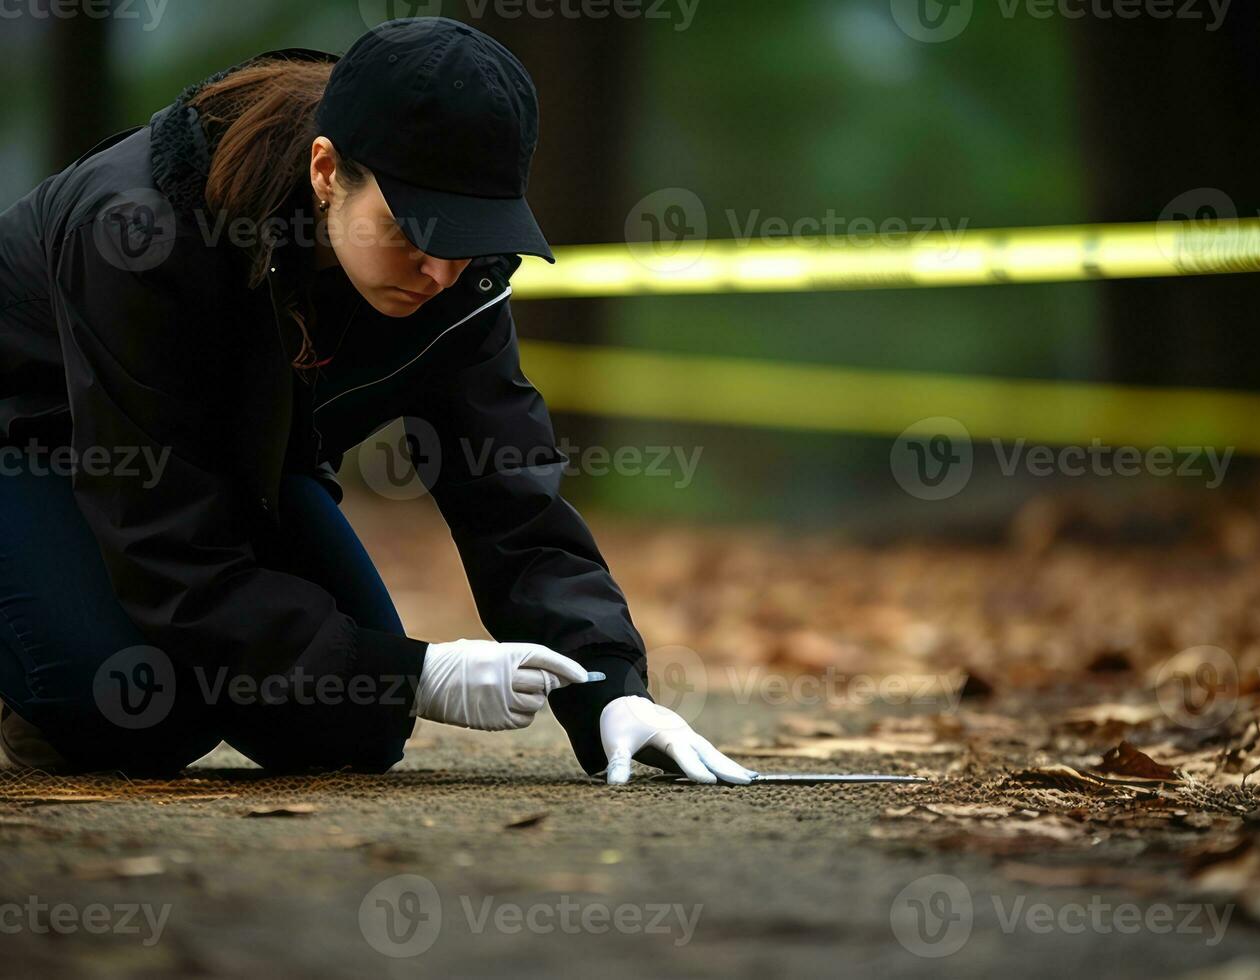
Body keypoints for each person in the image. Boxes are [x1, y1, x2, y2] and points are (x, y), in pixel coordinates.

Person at [0, 17, 754, 787]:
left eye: (468, 235)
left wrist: (607, 688)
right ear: (327, 170)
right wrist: (418, 671)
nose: (438, 270)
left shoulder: (458, 275)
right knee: (132, 710)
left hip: (222, 463)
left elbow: (508, 491)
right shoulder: (138, 232)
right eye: (410, 232)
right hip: (35, 445)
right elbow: (166, 542)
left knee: (355, 718)